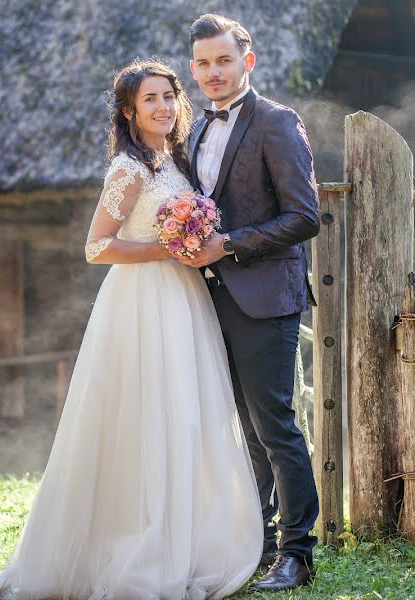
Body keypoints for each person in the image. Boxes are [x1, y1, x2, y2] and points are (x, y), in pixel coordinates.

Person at [0, 58, 262, 600]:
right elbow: (96, 246)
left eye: (169, 96)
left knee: (184, 412)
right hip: (142, 301)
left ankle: (185, 536)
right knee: (143, 414)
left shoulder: (172, 161)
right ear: (130, 111)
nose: (164, 107)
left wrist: (191, 241)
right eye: (150, 99)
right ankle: (132, 542)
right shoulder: (128, 169)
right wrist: (166, 247)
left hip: (184, 298)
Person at [177, 13, 321, 592]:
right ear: (193, 69)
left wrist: (227, 243)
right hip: (213, 297)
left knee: (275, 425)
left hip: (266, 296)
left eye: (225, 61)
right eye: (204, 64)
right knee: (243, 425)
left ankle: (298, 553)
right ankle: (257, 542)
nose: (214, 72)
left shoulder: (276, 123)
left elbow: (304, 217)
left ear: (248, 62)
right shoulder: (194, 132)